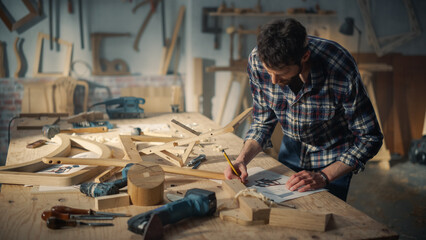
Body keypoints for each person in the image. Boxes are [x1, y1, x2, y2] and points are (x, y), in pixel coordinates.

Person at [224, 18, 383, 201]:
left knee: (328, 218)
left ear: (304, 57)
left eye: (282, 72)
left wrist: (325, 176)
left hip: (332, 155)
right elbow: (262, 122)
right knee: (282, 210)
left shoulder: (338, 66)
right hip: (291, 148)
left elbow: (369, 137)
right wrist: (241, 160)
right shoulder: (258, 60)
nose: (274, 81)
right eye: (269, 72)